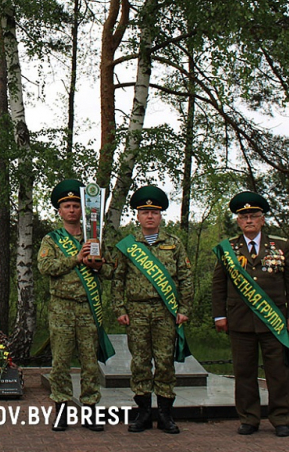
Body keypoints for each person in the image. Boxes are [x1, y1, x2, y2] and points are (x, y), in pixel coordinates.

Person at [212, 191, 289, 438]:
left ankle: (281, 418)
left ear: (262, 219)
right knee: (244, 373)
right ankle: (249, 418)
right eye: (244, 217)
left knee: (279, 373)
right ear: (238, 221)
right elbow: (219, 284)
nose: (249, 220)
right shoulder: (228, 248)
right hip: (240, 321)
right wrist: (219, 315)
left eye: (254, 215)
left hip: (274, 322)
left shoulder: (281, 246)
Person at [113, 185, 192, 434]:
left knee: (165, 361)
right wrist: (119, 308)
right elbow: (118, 279)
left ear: (160, 216)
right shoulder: (127, 245)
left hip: (165, 311)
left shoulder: (174, 244)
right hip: (136, 310)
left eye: (154, 212)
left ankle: (166, 414)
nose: (149, 216)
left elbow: (186, 277)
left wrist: (184, 307)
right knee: (140, 362)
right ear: (137, 216)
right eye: (145, 211)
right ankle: (143, 413)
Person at [37, 179, 114, 432]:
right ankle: (61, 410)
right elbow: (45, 267)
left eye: (76, 205)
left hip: (88, 307)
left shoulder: (96, 237)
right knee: (60, 361)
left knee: (90, 362)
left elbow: (112, 271)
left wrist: (99, 266)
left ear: (83, 210)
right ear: (59, 211)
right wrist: (76, 259)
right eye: (67, 206)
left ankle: (90, 409)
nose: (72, 210)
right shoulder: (52, 239)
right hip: (61, 308)